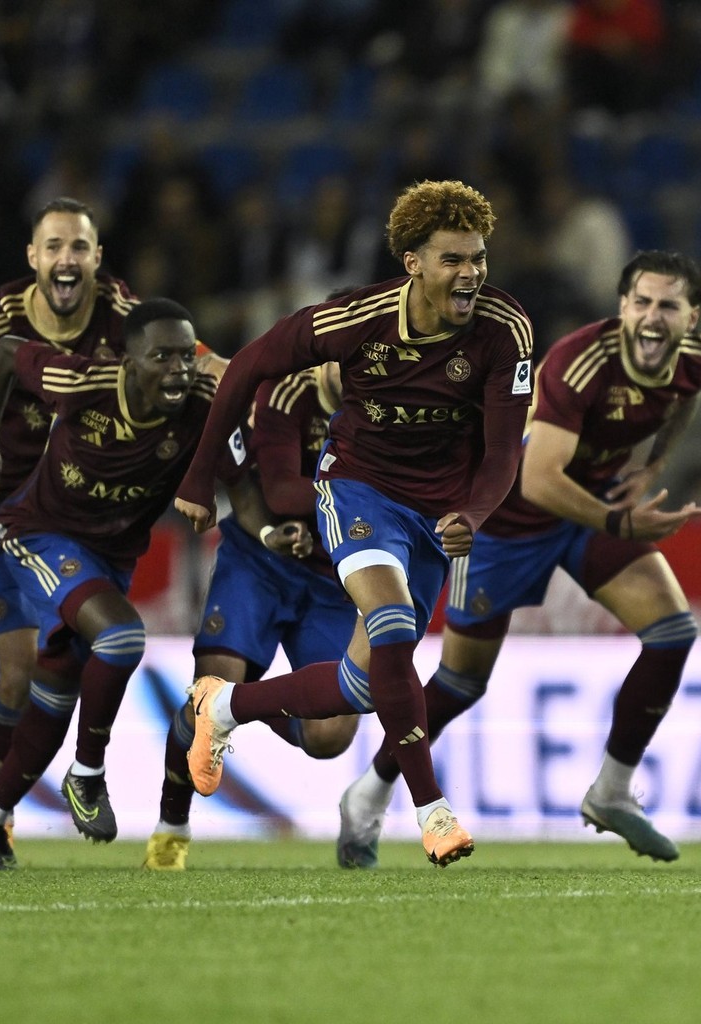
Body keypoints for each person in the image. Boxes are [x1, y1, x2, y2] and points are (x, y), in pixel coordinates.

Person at [175, 179, 535, 868]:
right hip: (359, 488)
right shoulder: (356, 319)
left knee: (364, 687)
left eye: (479, 258)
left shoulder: (504, 328)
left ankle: (221, 709)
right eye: (453, 260)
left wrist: (474, 514)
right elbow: (249, 364)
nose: (471, 274)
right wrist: (197, 477)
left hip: (439, 510)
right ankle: (431, 812)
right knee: (393, 624)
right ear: (414, 264)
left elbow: (500, 454)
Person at [336, 250, 701, 866]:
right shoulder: (579, 364)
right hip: (508, 521)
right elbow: (538, 480)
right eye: (641, 302)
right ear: (622, 308)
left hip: (583, 512)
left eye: (668, 306)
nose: (652, 317)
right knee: (461, 683)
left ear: (691, 317)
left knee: (672, 631)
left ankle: (612, 791)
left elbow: (684, 398)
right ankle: (367, 795)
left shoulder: (697, 360)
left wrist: (656, 463)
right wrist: (621, 518)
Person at [0, 298, 225, 868]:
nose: (178, 369)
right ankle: (87, 773)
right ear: (128, 362)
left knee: (56, 695)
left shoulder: (202, 404)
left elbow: (247, 405)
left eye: (186, 355)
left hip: (111, 558)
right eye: (161, 356)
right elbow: (6, 353)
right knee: (122, 637)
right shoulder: (82, 381)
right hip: (39, 534)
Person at [0, 197, 137, 831]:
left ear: (97, 258)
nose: (67, 260)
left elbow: (183, 358)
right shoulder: (3, 313)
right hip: (1, 513)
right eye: (55, 247)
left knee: (60, 670)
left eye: (80, 248)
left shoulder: (123, 315)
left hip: (76, 521)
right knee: (16, 684)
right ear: (33, 257)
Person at [145, 361, 361, 871]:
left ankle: (238, 705)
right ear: (327, 355)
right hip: (259, 561)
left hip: (331, 577)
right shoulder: (282, 394)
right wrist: (271, 534)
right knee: (209, 693)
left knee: (331, 739)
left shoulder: (385, 409)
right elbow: (255, 493)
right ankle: (171, 827)